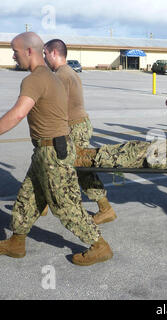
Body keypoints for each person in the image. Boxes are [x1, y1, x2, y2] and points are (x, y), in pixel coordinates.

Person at [0, 32, 112, 266]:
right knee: (27, 198)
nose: (13, 56)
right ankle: (16, 242)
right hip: (47, 150)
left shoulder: (35, 79)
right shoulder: (54, 78)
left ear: (29, 51)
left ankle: (99, 246)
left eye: (15, 51)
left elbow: (18, 113)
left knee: (66, 205)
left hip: (52, 153)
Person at [43, 39, 116, 225]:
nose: (44, 58)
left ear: (54, 53)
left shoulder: (61, 75)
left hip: (74, 127)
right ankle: (41, 200)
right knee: (52, 163)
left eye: (45, 54)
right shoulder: (68, 72)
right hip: (78, 124)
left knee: (77, 168)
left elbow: (53, 107)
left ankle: (105, 208)